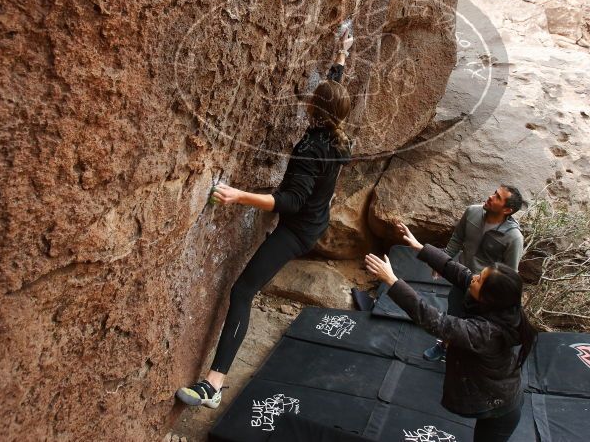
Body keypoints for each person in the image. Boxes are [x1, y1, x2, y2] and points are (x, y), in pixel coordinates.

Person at [175, 32, 354, 409]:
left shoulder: (311, 148)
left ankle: (214, 384)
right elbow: (334, 94)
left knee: (242, 291)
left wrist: (239, 195)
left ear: (313, 109)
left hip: (298, 229)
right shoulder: (338, 136)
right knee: (243, 290)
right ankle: (214, 382)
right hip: (314, 221)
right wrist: (340, 55)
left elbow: (289, 202)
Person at [364, 229, 537, 442]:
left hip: (499, 407)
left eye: (479, 279)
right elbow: (461, 273)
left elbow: (435, 321)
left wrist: (393, 282)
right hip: (496, 393)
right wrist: (421, 249)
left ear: (488, 297)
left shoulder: (486, 333)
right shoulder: (502, 304)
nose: (473, 277)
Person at [400, 185, 525, 361]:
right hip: (461, 278)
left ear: (507, 210)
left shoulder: (514, 238)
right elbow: (457, 239)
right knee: (453, 313)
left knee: (474, 325)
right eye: (494, 192)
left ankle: (467, 356)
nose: (490, 196)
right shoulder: (472, 212)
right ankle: (444, 346)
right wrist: (441, 261)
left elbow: (510, 274)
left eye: (497, 197)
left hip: (486, 292)